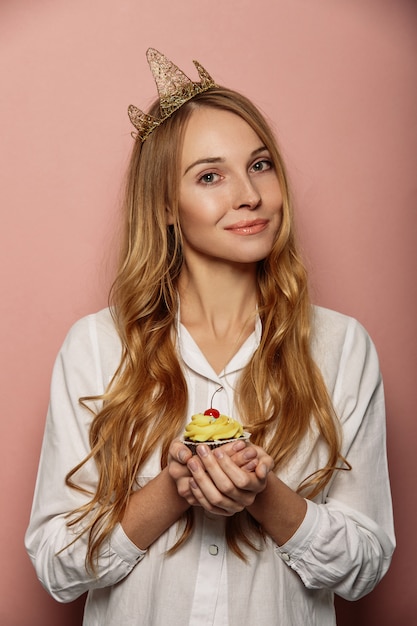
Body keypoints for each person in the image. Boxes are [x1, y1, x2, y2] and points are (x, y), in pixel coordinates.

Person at [25, 48, 395, 626]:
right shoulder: (97, 347)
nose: (248, 194)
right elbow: (56, 566)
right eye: (209, 176)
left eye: (261, 165)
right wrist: (172, 491)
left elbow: (366, 567)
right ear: (166, 206)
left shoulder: (343, 347)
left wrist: (266, 495)